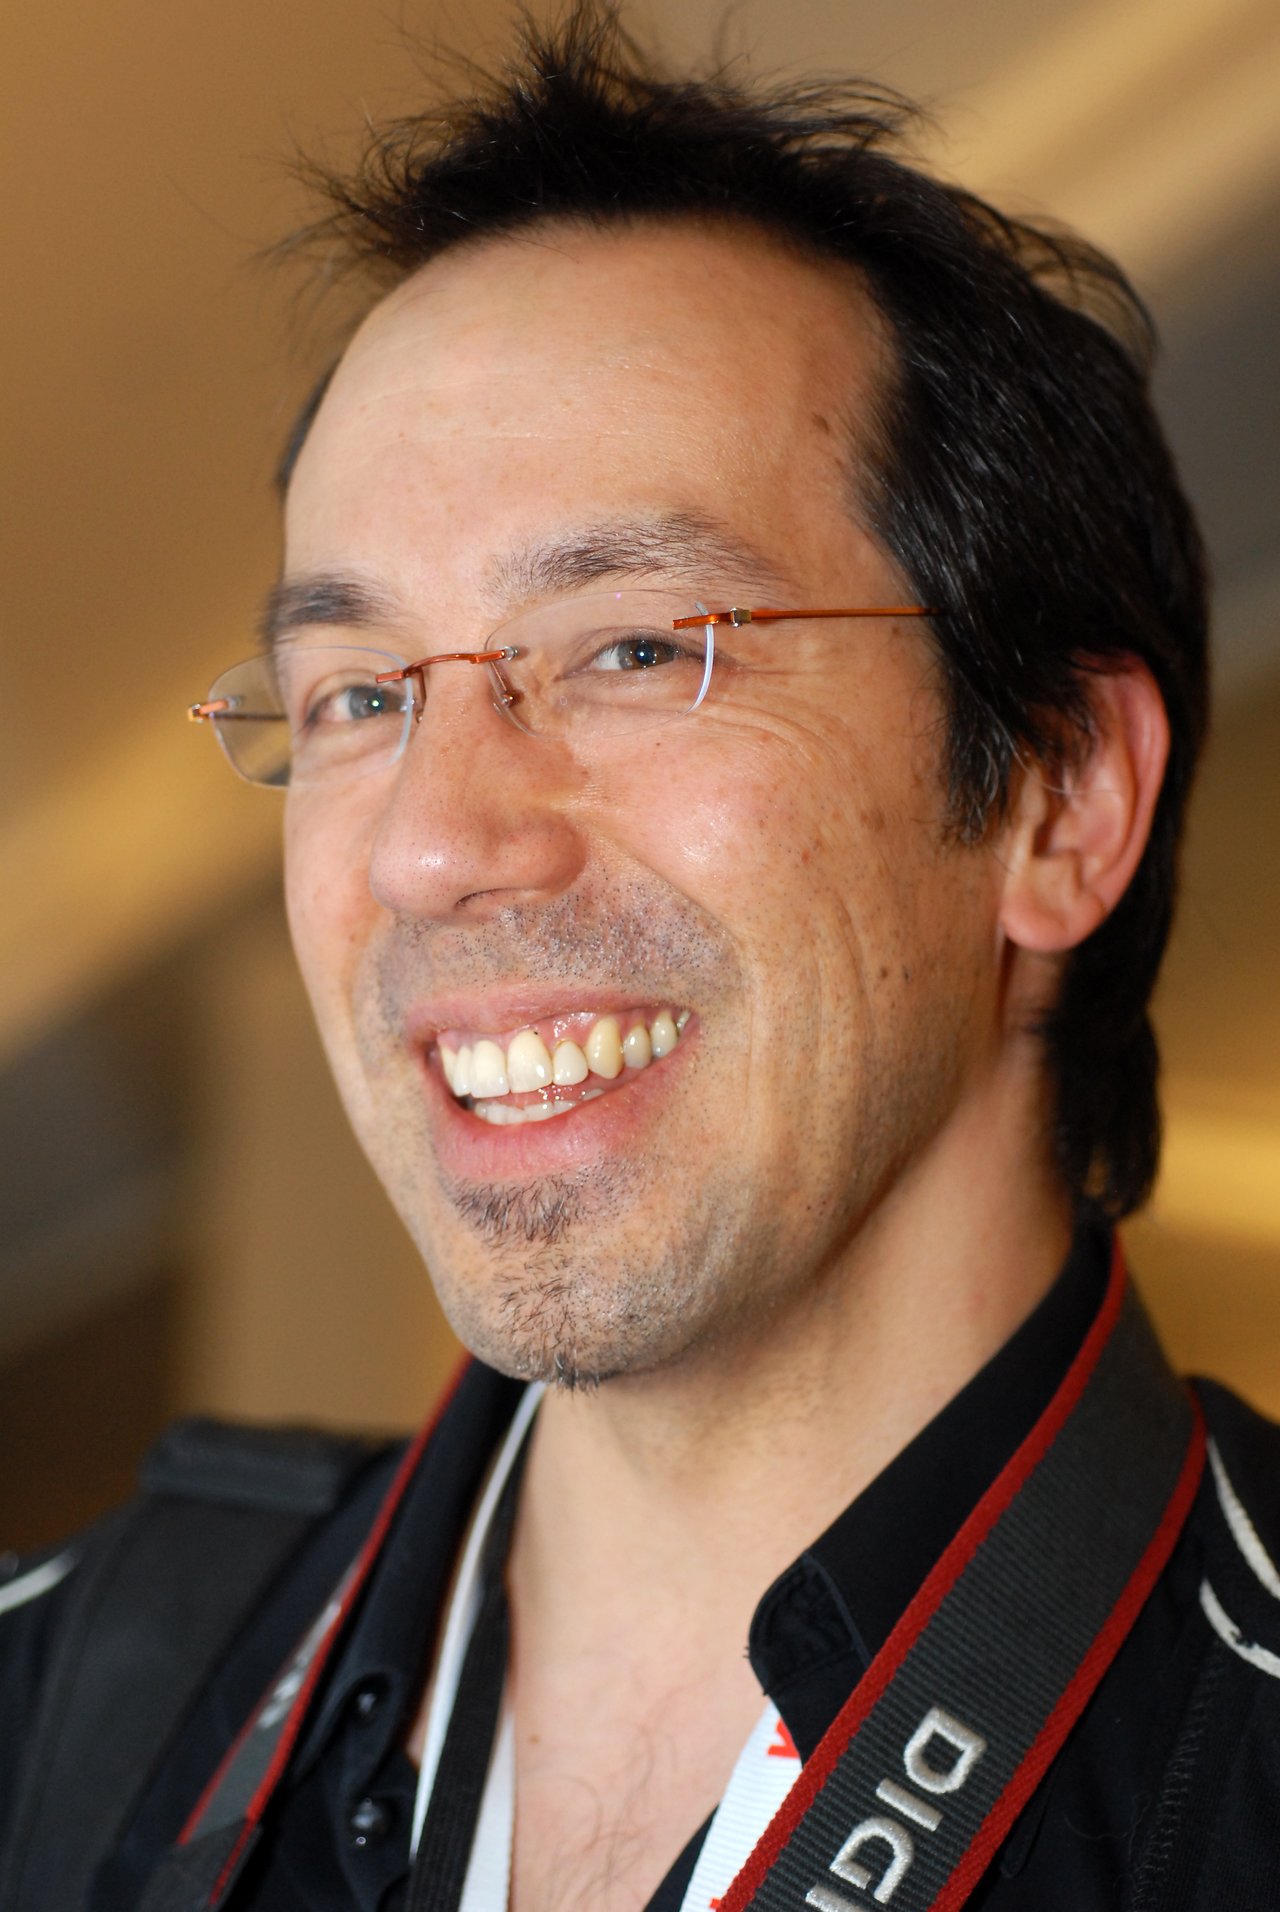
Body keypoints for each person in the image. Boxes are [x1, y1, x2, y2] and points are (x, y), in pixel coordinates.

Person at [2, 8, 1278, 1910]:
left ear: (1059, 798)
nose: (432, 845)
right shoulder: (47, 1705)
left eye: (632, 649)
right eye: (356, 694)